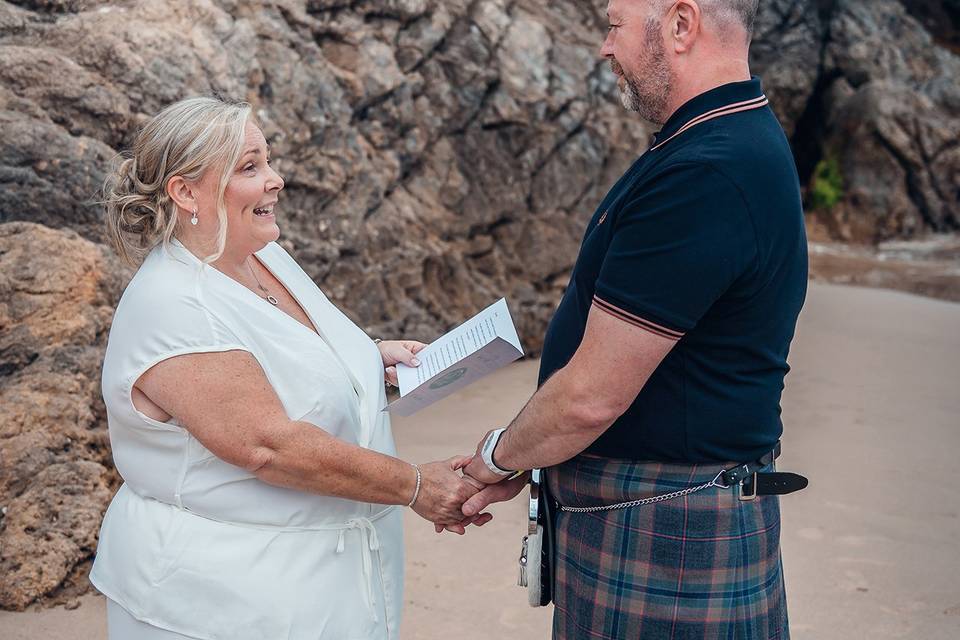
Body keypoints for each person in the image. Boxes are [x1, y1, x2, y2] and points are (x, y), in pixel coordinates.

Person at [459, 1, 808, 638]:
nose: (603, 47)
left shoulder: (705, 170)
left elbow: (590, 397)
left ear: (680, 24)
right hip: (669, 511)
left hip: (668, 524)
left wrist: (497, 458)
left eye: (615, 24)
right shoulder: (725, 140)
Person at [92, 97, 488, 640]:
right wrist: (416, 485)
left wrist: (367, 359)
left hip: (326, 589)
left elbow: (273, 354)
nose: (276, 180)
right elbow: (267, 445)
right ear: (186, 192)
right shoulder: (173, 303)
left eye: (269, 161)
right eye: (250, 167)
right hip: (222, 602)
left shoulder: (261, 255)